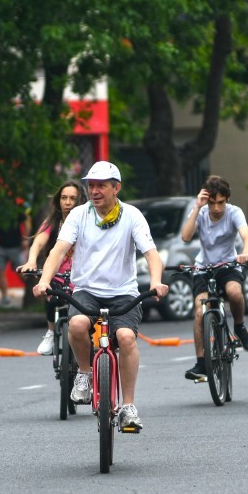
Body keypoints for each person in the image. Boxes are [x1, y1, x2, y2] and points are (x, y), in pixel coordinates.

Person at [33, 161, 168, 430]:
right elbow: (58, 251)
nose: (94, 191)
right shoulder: (79, 215)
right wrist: (45, 280)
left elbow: (152, 254)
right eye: (91, 185)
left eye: (101, 186)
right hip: (86, 291)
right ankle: (84, 373)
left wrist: (156, 282)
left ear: (116, 188)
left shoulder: (132, 216)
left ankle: (128, 406)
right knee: (78, 324)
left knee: (126, 337)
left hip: (123, 293)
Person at [179, 175, 248, 381]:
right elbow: (185, 237)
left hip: (228, 265)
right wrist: (197, 207)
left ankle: (239, 326)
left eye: (220, 202)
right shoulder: (201, 212)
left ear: (227, 199)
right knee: (199, 312)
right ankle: (201, 363)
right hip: (204, 267)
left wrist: (245, 254)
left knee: (234, 292)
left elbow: (247, 238)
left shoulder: (234, 213)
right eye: (212, 202)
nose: (216, 208)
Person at [17, 179, 86, 355]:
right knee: (51, 296)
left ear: (81, 201)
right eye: (64, 198)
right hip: (57, 276)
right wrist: (31, 261)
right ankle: (50, 332)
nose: (68, 202)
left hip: (83, 276)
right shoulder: (53, 222)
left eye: (72, 198)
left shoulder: (89, 220)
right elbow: (38, 242)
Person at [0, 193, 29, 307]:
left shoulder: (15, 211)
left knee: (22, 273)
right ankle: (5, 297)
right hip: (0, 246)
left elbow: (26, 223)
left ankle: (32, 291)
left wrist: (25, 239)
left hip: (16, 246)